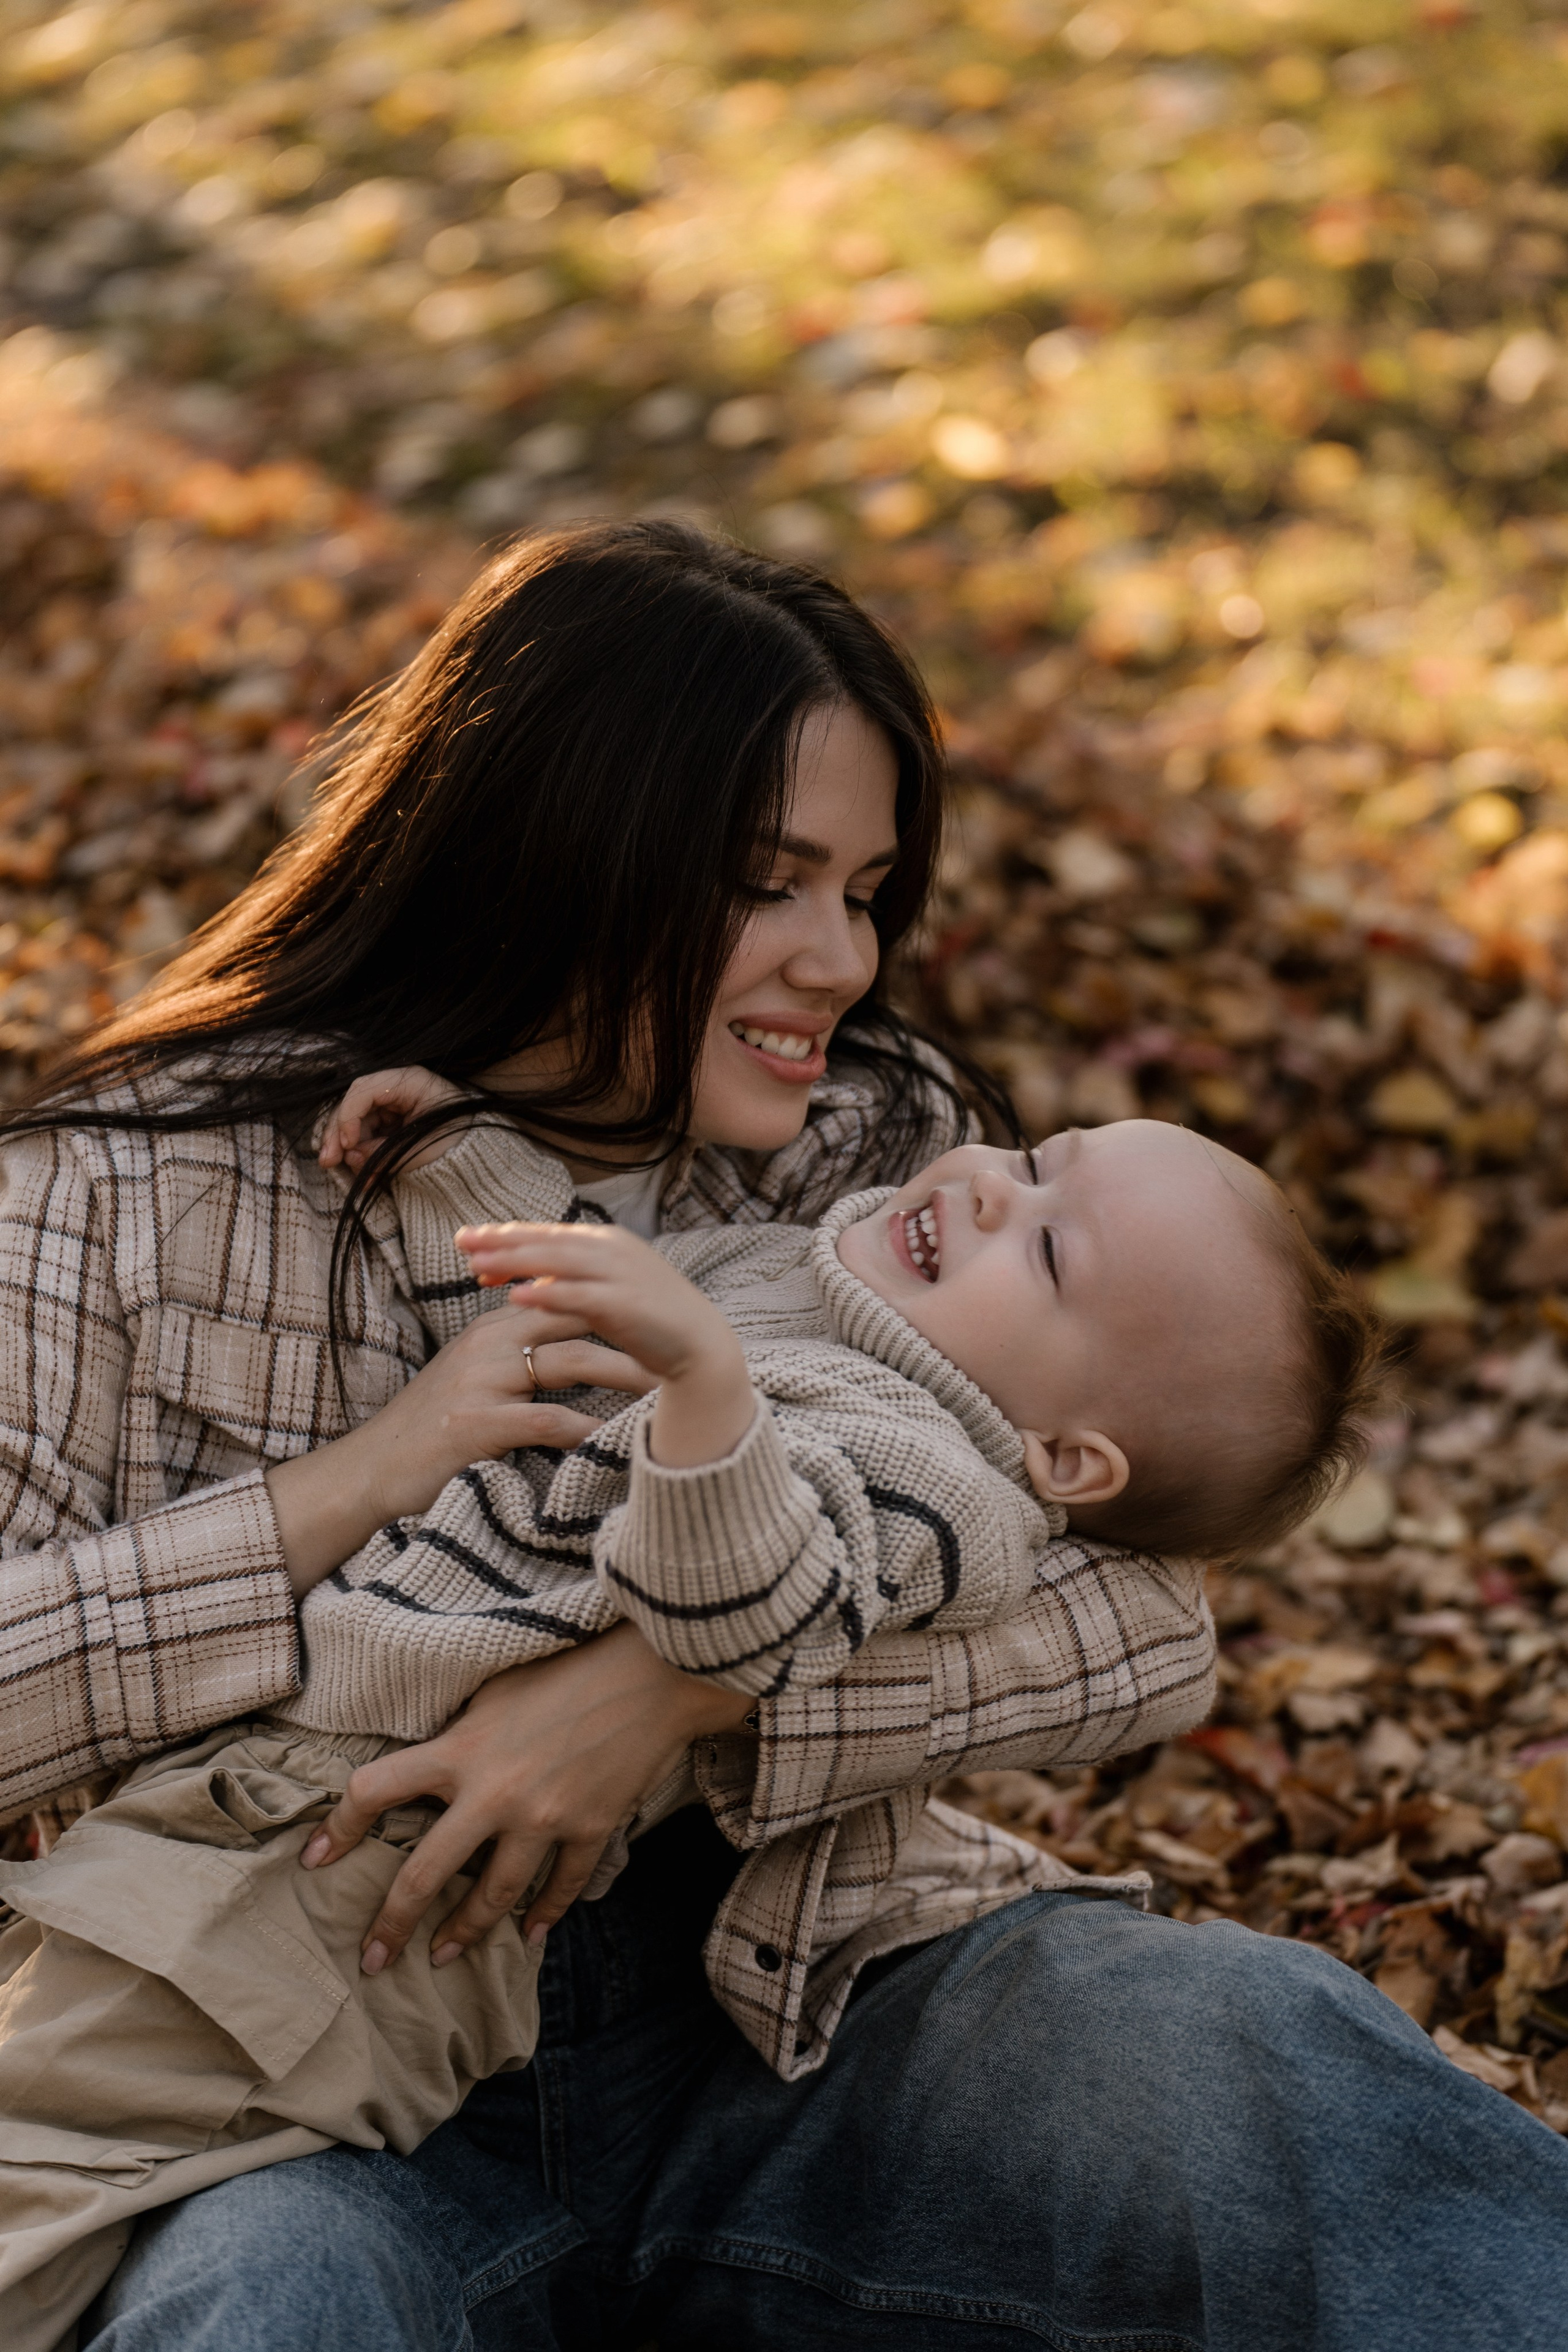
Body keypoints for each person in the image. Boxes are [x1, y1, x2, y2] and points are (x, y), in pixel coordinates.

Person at [0, 519, 1562, 2351]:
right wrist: (353, 1485)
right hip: (316, 2083)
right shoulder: (110, 1198)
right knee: (270, 2306)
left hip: (799, 2011)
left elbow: (1147, 1612)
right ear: (553, 853)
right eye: (770, 881)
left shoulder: (873, 1147)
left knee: (1257, 2059)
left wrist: (679, 1693)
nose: (839, 958)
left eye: (868, 888)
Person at [0, 1108, 1383, 2345]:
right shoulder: (798, 1280)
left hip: (359, 1890)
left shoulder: (934, 1480)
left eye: (1047, 1255)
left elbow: (749, 1607)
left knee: (47, 2169)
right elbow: (556, 1320)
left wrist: (709, 1402)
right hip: (255, 1815)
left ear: (1070, 1458)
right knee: (64, 2160)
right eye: (1031, 1165)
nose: (981, 1192)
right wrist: (456, 1166)